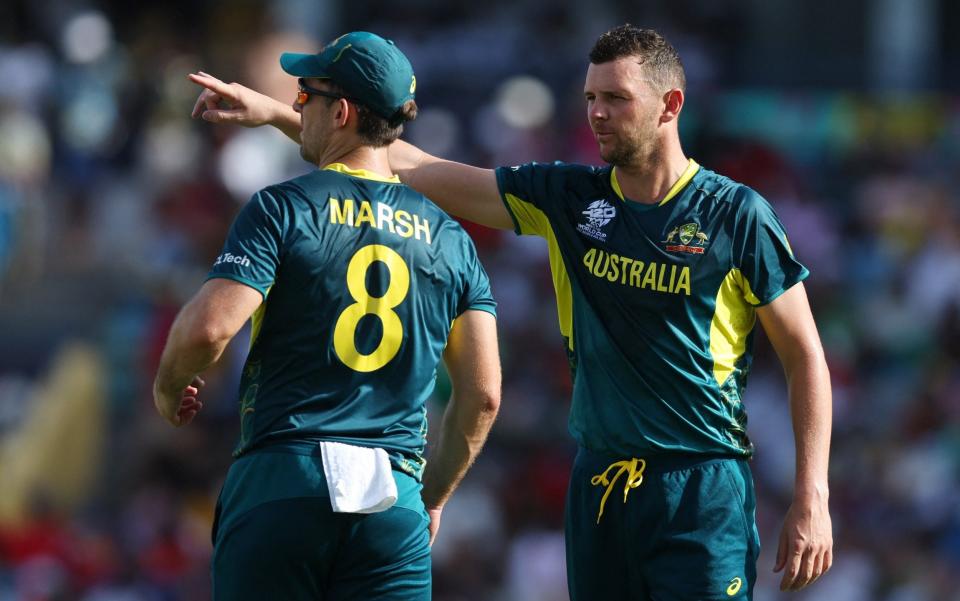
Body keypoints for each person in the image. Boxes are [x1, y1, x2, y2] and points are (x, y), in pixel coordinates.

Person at [189, 24, 832, 601]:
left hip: (701, 484)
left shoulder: (735, 215)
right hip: (600, 485)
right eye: (590, 99)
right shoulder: (570, 199)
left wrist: (812, 493)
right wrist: (277, 113)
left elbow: (804, 353)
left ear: (671, 106)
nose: (598, 114)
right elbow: (407, 163)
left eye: (616, 100)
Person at [156, 31, 501, 600]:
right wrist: (432, 498)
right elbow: (484, 393)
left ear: (340, 112)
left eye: (305, 96)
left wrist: (169, 388)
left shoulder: (281, 206)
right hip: (394, 504)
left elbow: (209, 328)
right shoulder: (454, 240)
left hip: (283, 481)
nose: (296, 107)